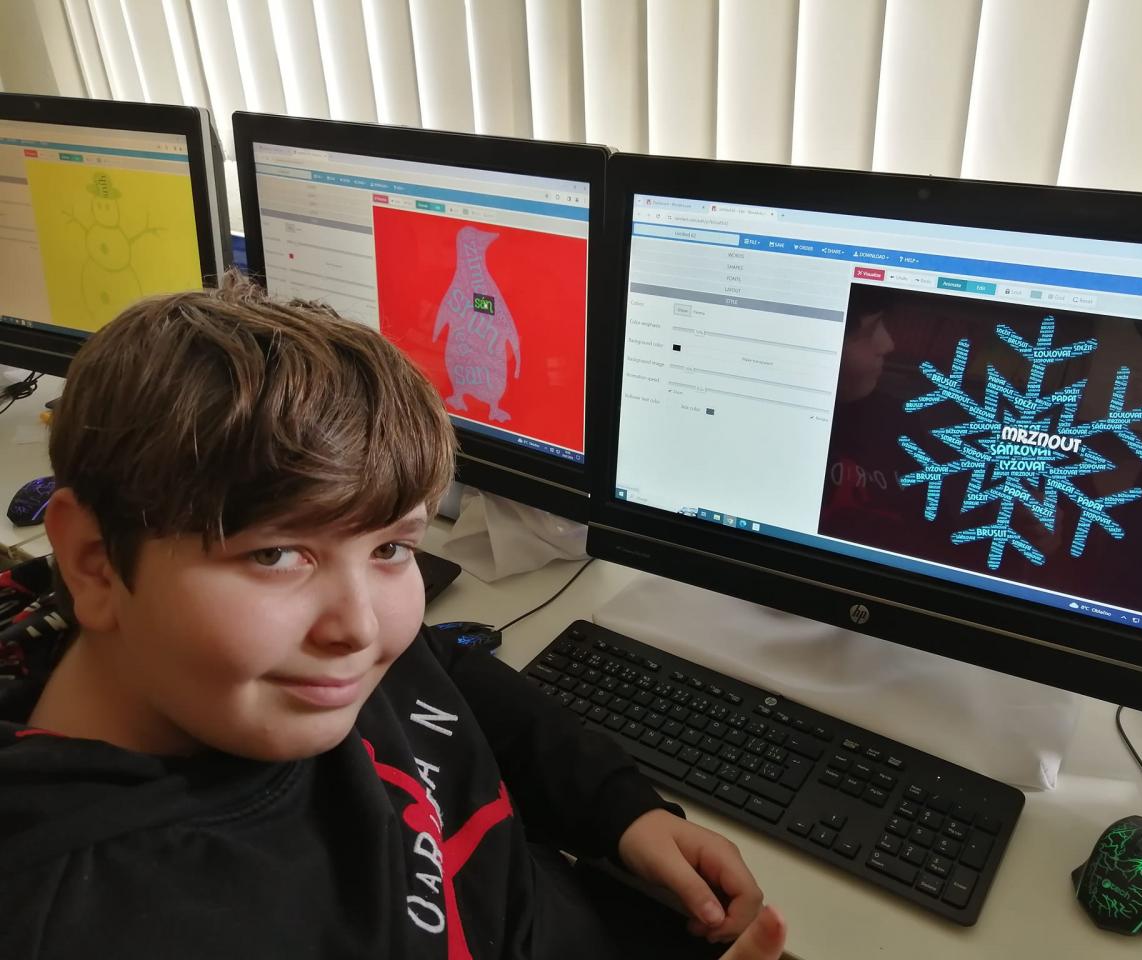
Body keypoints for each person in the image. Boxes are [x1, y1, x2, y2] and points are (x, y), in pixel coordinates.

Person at [0, 274, 786, 960]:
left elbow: (445, 672)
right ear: (95, 562)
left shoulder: (270, 677)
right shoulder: (89, 918)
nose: (362, 628)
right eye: (276, 554)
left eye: (391, 548)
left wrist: (621, 812)